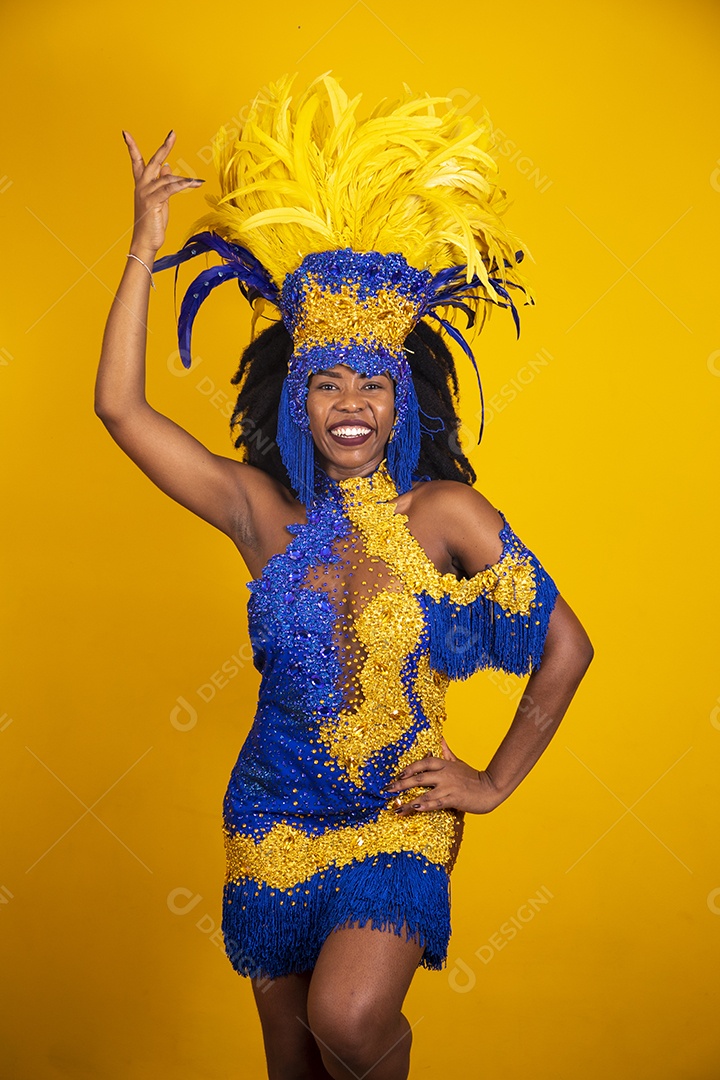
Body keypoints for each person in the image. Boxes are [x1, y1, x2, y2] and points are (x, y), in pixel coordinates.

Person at [95, 75, 593, 1080]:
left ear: (403, 400)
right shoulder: (259, 512)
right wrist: (145, 244)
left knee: (350, 1022)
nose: (351, 404)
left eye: (373, 383)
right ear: (298, 400)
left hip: (398, 818)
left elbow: (568, 648)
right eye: (328, 383)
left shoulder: (446, 514)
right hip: (271, 814)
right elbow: (121, 410)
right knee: (295, 1065)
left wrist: (492, 781)